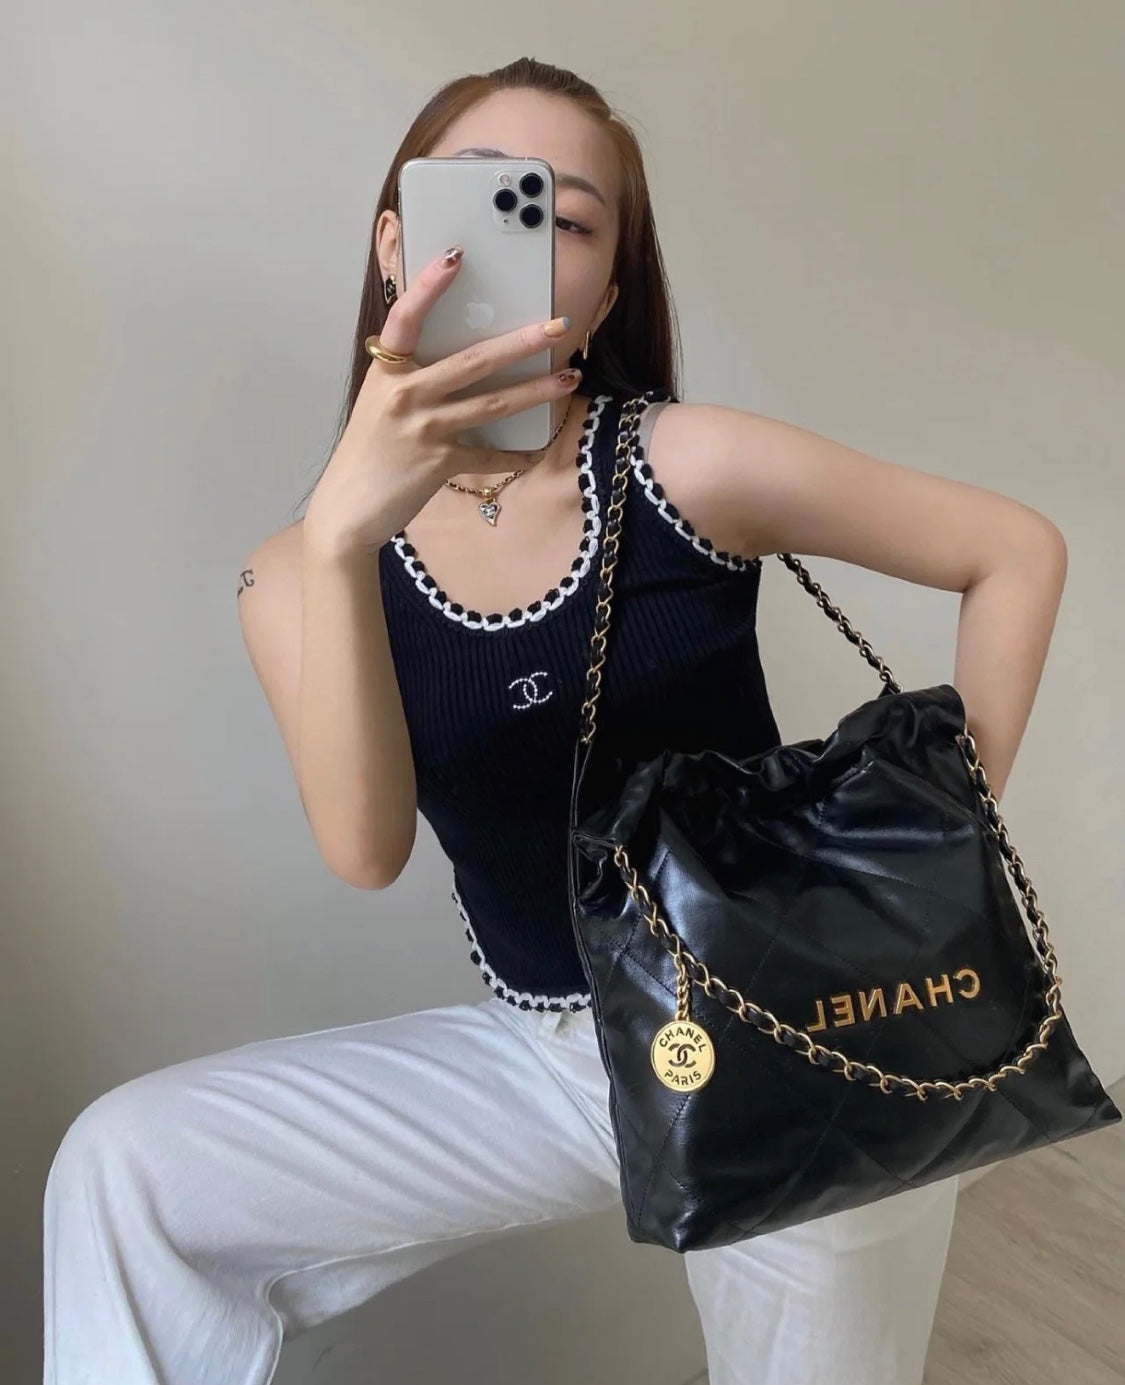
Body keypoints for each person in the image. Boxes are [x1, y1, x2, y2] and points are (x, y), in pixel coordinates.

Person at [42, 54, 1069, 1385]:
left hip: (784, 1025)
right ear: (396, 243)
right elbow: (364, 847)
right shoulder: (295, 571)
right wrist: (346, 533)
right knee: (131, 1170)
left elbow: (1012, 551)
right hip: (552, 1050)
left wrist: (921, 875)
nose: (517, 246)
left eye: (564, 219)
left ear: (606, 290)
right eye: (478, 201)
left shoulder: (682, 462)